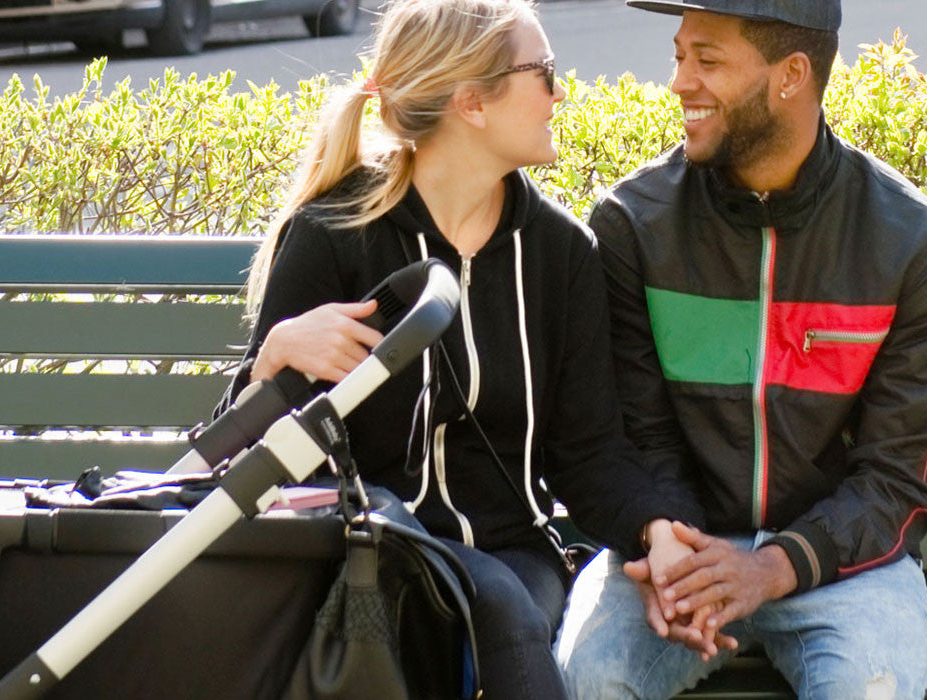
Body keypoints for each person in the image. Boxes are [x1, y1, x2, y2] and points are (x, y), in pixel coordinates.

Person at [219, 0, 706, 696]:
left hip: (512, 559)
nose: (560, 92)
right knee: (468, 610)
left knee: (500, 605)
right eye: (544, 72)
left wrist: (656, 529)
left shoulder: (561, 253)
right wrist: (272, 360)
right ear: (472, 103)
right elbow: (238, 460)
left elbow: (589, 453)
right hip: (359, 553)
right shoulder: (335, 236)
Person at [553, 1, 927, 698]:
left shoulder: (909, 240)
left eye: (708, 60)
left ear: (791, 75)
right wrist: (670, 547)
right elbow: (636, 434)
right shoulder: (633, 225)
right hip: (685, 549)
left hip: (845, 567)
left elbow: (904, 471)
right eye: (679, 56)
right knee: (590, 679)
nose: (680, 82)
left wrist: (774, 566)